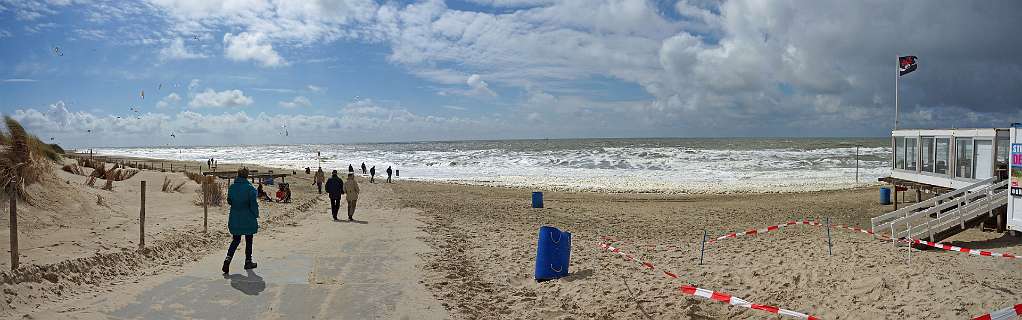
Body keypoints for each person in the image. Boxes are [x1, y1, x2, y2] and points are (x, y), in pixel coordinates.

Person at [223, 168, 259, 273]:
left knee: (236, 239)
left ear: (238, 175)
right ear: (247, 176)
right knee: (249, 239)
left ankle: (228, 259)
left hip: (235, 217)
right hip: (247, 217)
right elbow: (253, 204)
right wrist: (256, 214)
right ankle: (248, 261)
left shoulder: (232, 187)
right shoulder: (250, 188)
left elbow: (229, 201)